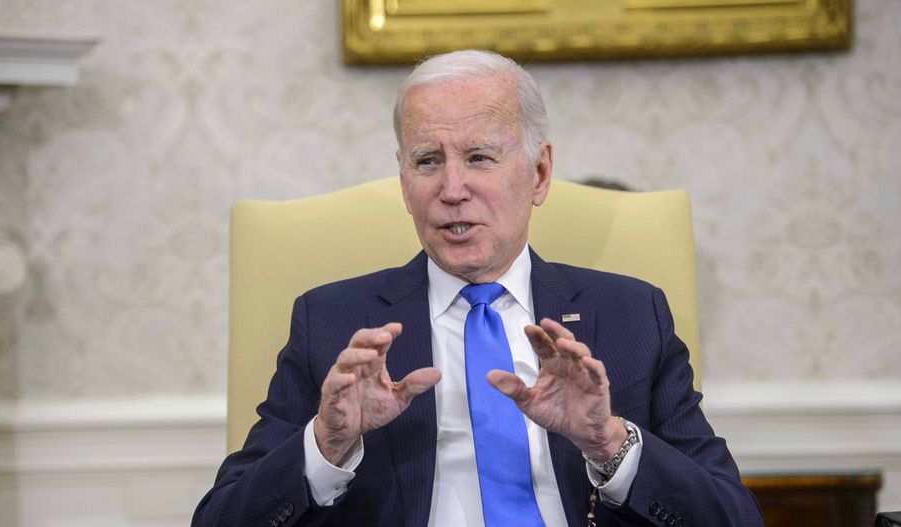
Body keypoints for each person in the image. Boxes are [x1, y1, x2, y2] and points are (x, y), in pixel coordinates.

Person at [192, 50, 763, 527]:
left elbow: (734, 518)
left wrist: (609, 443)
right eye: (427, 161)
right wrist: (327, 443)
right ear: (403, 178)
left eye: (479, 158)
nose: (452, 188)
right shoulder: (335, 322)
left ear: (538, 174)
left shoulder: (632, 314)